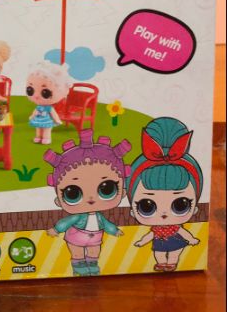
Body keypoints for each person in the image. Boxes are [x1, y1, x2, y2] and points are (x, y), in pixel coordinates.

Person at [45, 129, 131, 276]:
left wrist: (114, 231)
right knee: (77, 254)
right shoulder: (78, 216)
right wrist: (57, 229)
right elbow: (67, 221)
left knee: (94, 253)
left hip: (95, 238)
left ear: (122, 192)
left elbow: (106, 224)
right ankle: (79, 269)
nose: (91, 199)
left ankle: (93, 267)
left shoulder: (99, 217)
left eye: (107, 189)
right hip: (76, 237)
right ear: (58, 200)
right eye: (73, 193)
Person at [127, 117, 203, 272]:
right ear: (132, 210)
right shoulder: (156, 230)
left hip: (176, 242)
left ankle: (172, 263)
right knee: (158, 254)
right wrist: (142, 242)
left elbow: (184, 233)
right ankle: (162, 263)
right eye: (146, 206)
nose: (163, 214)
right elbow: (149, 236)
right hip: (159, 244)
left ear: (195, 208)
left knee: (174, 253)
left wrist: (192, 239)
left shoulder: (176, 227)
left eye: (180, 205)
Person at [26, 61, 70, 144]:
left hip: (47, 121)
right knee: (38, 128)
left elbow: (53, 114)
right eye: (30, 90)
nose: (36, 96)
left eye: (45, 92)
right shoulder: (38, 107)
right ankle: (38, 137)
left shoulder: (49, 108)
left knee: (46, 129)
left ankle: (46, 138)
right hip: (38, 120)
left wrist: (57, 120)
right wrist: (32, 116)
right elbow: (35, 112)